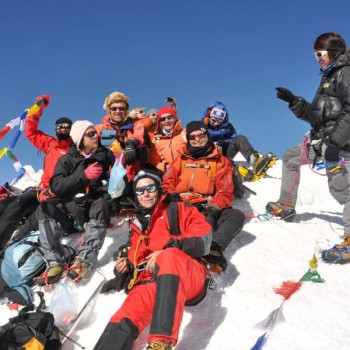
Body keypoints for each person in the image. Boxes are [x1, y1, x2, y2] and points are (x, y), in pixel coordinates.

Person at [94, 169, 212, 350]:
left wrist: (169, 248)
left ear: (158, 189)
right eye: (140, 190)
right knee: (128, 312)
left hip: (188, 277)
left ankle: (161, 342)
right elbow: (137, 255)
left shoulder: (177, 209)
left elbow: (204, 235)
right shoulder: (138, 224)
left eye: (150, 188)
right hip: (153, 283)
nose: (145, 194)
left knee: (170, 256)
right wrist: (127, 265)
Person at [263, 32, 350, 263]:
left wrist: (335, 143)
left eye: (320, 53)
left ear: (334, 52)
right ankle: (286, 206)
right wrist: (293, 101)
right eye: (315, 54)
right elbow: (316, 116)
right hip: (323, 142)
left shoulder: (345, 72)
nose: (317, 58)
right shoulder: (328, 77)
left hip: (341, 146)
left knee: (344, 191)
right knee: (292, 157)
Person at [36, 120, 115, 285]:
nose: (96, 136)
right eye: (91, 134)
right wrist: (83, 175)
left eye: (96, 133)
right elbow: (56, 185)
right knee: (45, 208)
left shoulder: (105, 155)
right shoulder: (66, 160)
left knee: (102, 203)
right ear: (80, 139)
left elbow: (115, 169)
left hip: (93, 212)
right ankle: (55, 262)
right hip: (72, 215)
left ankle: (85, 259)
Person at [162, 121, 245, 271]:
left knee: (236, 216)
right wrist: (172, 195)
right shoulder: (181, 159)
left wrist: (214, 206)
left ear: (207, 136)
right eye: (193, 137)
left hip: (205, 205)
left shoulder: (221, 161)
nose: (197, 140)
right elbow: (167, 181)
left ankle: (214, 248)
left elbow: (225, 190)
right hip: (181, 202)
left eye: (201, 135)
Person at [0, 95, 73, 250]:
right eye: (59, 127)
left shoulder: (76, 151)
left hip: (58, 194)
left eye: (67, 126)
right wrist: (37, 109)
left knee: (31, 220)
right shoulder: (51, 145)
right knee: (15, 204)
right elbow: (31, 132)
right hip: (41, 190)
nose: (63, 129)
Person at [202, 101, 276, 182]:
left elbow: (232, 139)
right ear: (208, 116)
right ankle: (240, 172)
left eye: (219, 121)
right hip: (210, 157)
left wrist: (223, 142)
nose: (215, 123)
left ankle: (255, 161)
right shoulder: (200, 126)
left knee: (240, 138)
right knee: (226, 163)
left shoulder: (228, 127)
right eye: (213, 120)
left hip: (224, 152)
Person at [96, 91, 150, 189]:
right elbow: (87, 134)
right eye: (114, 108)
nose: (118, 111)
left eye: (121, 108)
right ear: (109, 110)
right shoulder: (102, 128)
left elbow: (139, 133)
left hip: (135, 175)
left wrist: (132, 143)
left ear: (126, 110)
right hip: (112, 178)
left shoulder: (135, 125)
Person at [148, 106, 187, 174]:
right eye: (163, 119)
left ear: (175, 118)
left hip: (185, 171)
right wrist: (164, 167)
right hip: (168, 173)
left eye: (170, 117)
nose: (167, 121)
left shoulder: (184, 133)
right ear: (159, 122)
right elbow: (154, 161)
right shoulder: (156, 139)